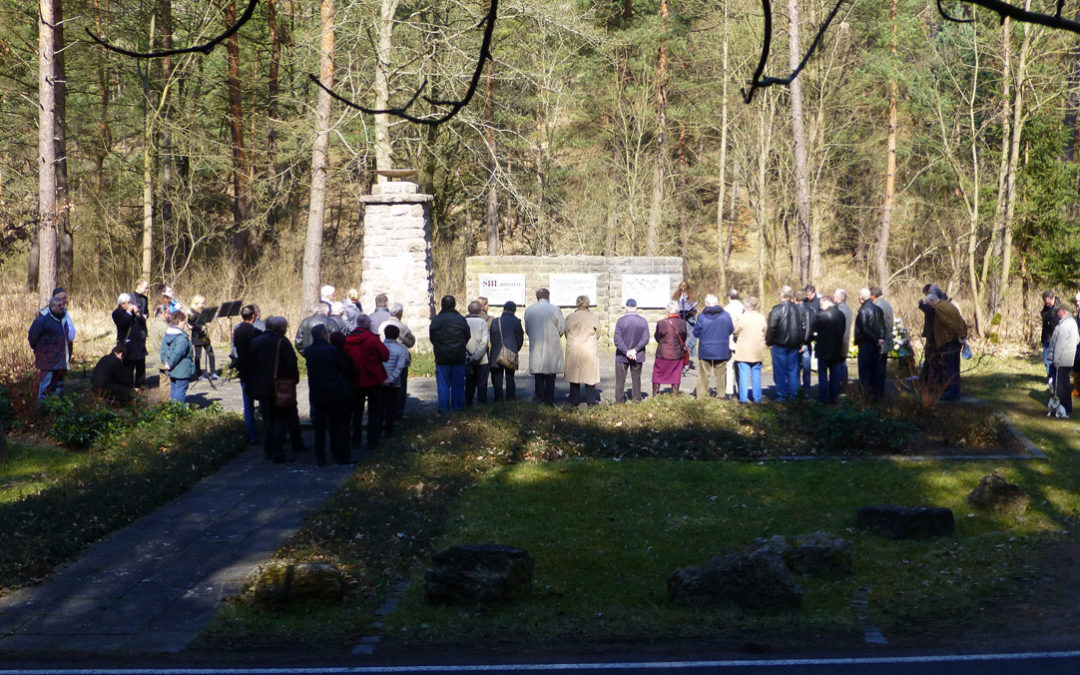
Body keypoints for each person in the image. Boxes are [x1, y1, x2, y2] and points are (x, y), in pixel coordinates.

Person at [250, 316, 303, 463]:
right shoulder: (283, 342)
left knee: (268, 419)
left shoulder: (256, 342)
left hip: (262, 385)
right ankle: (278, 451)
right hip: (280, 385)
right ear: (281, 328)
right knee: (280, 419)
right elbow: (292, 364)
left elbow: (251, 365)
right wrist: (294, 380)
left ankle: (268, 450)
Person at [304, 324, 355, 465]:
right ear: (325, 335)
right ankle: (339, 453)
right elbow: (342, 367)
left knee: (319, 427)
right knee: (337, 425)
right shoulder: (333, 351)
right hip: (335, 391)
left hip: (317, 391)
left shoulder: (309, 351)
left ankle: (320, 457)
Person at [345, 315, 390, 450]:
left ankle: (356, 438)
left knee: (356, 411)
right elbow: (385, 356)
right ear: (368, 324)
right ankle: (373, 439)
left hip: (355, 379)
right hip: (373, 378)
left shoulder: (347, 340)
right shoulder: (372, 339)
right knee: (374, 410)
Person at [523, 288, 566, 406]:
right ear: (548, 297)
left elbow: (527, 329)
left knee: (539, 374)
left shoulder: (529, 310)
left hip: (536, 344)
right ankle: (549, 400)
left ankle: (539, 398)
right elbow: (562, 328)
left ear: (537, 297)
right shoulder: (555, 309)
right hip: (552, 346)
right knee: (551, 375)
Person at [430, 295, 470, 413]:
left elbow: (432, 338)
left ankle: (444, 410)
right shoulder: (461, 319)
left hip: (442, 357)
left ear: (441, 305)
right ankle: (458, 408)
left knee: (443, 386)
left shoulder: (436, 320)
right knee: (458, 385)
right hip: (458, 356)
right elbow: (467, 336)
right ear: (454, 305)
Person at [765, 286, 805, 401]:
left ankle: (782, 394)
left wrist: (769, 341)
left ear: (782, 295)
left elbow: (772, 327)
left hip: (779, 344)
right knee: (793, 371)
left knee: (780, 371)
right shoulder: (798, 309)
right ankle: (793, 394)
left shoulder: (776, 309)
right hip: (794, 344)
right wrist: (801, 342)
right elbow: (802, 328)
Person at [925, 291, 967, 400]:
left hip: (949, 341)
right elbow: (960, 320)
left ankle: (951, 393)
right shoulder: (948, 304)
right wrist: (961, 336)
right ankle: (955, 390)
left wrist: (956, 336)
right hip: (956, 341)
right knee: (955, 366)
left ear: (932, 301)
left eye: (928, 304)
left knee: (949, 367)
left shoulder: (939, 309)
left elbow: (949, 324)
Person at [28, 295, 71, 400]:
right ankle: (41, 413)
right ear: (52, 307)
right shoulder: (42, 321)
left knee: (58, 389)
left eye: (63, 305)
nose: (62, 307)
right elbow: (32, 338)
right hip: (48, 363)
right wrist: (42, 352)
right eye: (59, 305)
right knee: (45, 389)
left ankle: (55, 413)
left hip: (61, 362)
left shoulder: (63, 319)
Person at [693, 293, 733, 399]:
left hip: (705, 349)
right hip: (721, 349)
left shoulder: (701, 316)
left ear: (706, 303)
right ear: (717, 303)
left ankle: (701, 396)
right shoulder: (726, 315)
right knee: (720, 374)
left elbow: (696, 332)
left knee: (704, 374)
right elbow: (730, 329)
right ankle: (721, 395)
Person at [564, 295, 602, 406]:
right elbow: (598, 333)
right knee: (590, 375)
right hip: (589, 348)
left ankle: (574, 400)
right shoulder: (593, 317)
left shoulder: (570, 317)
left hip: (574, 348)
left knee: (574, 374)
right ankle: (591, 400)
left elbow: (566, 333)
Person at [233, 304, 263, 444]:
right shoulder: (255, 331)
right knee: (263, 401)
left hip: (243, 370)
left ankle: (252, 434)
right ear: (253, 316)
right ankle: (266, 430)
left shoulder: (237, 330)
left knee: (248, 404)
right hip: (256, 370)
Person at [380, 303, 415, 420]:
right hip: (398, 356)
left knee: (384, 388)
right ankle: (397, 413)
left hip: (383, 357)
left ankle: (385, 413)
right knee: (400, 387)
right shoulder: (402, 327)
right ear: (400, 314)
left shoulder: (382, 325)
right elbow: (411, 342)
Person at [811, 295, 847, 403]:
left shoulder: (821, 315)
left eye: (821, 304)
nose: (820, 307)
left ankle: (823, 398)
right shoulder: (841, 315)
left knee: (822, 375)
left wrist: (815, 337)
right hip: (836, 348)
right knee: (835, 375)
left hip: (823, 349)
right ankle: (834, 397)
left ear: (827, 302)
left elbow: (813, 330)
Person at [614, 298, 650, 403]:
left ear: (626, 308)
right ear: (636, 308)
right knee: (636, 378)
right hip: (638, 355)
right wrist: (635, 350)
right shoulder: (643, 321)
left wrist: (626, 351)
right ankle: (637, 399)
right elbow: (645, 338)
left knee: (620, 379)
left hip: (622, 355)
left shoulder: (620, 321)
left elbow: (617, 340)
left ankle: (619, 400)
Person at [854, 288, 887, 399]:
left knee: (864, 371)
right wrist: (881, 338)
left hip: (866, 343)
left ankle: (865, 394)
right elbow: (883, 326)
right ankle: (876, 394)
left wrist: (876, 338)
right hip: (876, 344)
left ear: (861, 298)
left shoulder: (863, 310)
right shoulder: (878, 309)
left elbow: (864, 328)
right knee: (875, 369)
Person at [733, 297, 767, 403]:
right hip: (757, 349)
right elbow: (765, 331)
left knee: (743, 375)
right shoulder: (762, 318)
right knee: (756, 375)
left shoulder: (741, 318)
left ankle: (743, 398)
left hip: (744, 350)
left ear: (745, 306)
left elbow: (735, 331)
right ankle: (757, 398)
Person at [489, 301, 524, 402]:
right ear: (514, 310)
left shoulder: (496, 321)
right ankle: (510, 398)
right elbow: (520, 339)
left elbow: (492, 338)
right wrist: (515, 349)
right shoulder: (517, 322)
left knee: (497, 379)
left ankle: (498, 399)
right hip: (511, 353)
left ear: (503, 309)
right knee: (510, 377)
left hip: (496, 353)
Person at [653, 301, 689, 396]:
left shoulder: (661, 323)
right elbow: (684, 337)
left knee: (657, 374)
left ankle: (655, 395)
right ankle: (674, 395)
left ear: (668, 311)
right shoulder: (683, 323)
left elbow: (657, 337)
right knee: (676, 375)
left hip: (663, 353)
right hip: (677, 354)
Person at [112, 292, 147, 387]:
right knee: (128, 367)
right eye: (129, 303)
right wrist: (128, 312)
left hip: (138, 342)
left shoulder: (133, 312)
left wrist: (138, 314)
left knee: (141, 364)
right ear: (123, 304)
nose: (131, 304)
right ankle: (128, 386)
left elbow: (142, 322)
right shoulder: (116, 313)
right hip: (127, 343)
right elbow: (122, 324)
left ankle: (140, 385)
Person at [1049, 305, 1079, 418]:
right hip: (1067, 358)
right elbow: (1077, 340)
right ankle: (1067, 406)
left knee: (1061, 384)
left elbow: (1060, 344)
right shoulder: (1071, 323)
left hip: (1062, 359)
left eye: (1059, 311)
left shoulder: (1066, 325)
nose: (1057, 312)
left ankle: (1063, 406)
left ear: (1064, 311)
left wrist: (1056, 360)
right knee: (1065, 383)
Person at [160, 311, 195, 403]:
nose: (185, 324)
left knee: (174, 390)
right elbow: (178, 353)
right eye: (184, 322)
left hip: (172, 368)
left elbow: (163, 349)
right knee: (180, 391)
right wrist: (170, 363)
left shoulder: (168, 334)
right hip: (181, 368)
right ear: (180, 321)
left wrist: (165, 361)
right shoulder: (181, 338)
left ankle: (173, 410)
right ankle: (179, 412)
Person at [381, 324, 410, 436]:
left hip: (381, 381)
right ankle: (389, 429)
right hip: (394, 382)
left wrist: (382, 379)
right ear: (397, 335)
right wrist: (391, 379)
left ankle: (379, 427)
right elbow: (400, 367)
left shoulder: (380, 347)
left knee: (381, 405)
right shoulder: (400, 349)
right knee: (391, 406)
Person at [464, 300, 491, 405]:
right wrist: (476, 356)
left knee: (469, 383)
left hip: (466, 358)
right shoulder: (482, 322)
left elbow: (461, 341)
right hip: (482, 359)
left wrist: (468, 356)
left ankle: (468, 404)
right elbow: (484, 342)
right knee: (482, 384)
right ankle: (481, 405)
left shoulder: (463, 321)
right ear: (480, 310)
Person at [187, 294, 218, 379]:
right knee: (198, 355)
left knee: (210, 352)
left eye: (204, 303)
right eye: (202, 303)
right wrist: (201, 327)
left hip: (204, 335)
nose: (203, 305)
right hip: (197, 336)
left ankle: (213, 372)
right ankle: (199, 374)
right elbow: (191, 324)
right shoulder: (192, 313)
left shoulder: (203, 312)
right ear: (196, 303)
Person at [871, 286, 895, 394]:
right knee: (882, 365)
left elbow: (878, 324)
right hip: (887, 338)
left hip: (881, 340)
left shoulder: (878, 306)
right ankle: (880, 388)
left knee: (878, 366)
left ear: (873, 296)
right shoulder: (886, 304)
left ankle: (877, 389)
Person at [723, 289, 745, 398]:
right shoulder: (744, 308)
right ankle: (742, 390)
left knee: (729, 366)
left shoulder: (726, 309)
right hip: (742, 341)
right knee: (741, 367)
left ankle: (729, 391)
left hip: (730, 340)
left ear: (729, 297)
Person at [674, 280, 698, 373]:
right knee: (679, 340)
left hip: (689, 320)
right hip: (680, 320)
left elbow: (694, 308)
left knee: (688, 341)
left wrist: (690, 311)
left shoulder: (691, 297)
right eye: (681, 288)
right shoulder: (676, 297)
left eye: (685, 289)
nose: (683, 291)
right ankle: (679, 362)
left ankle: (687, 362)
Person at [796, 290, 816, 391]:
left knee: (796, 367)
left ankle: (797, 388)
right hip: (808, 342)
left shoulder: (796, 310)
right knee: (806, 368)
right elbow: (811, 327)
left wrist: (801, 342)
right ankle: (807, 387)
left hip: (799, 342)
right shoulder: (811, 310)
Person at [834, 289, 853, 391]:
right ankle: (844, 383)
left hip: (839, 340)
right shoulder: (848, 309)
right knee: (843, 363)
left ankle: (839, 384)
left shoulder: (838, 310)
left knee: (838, 364)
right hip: (845, 339)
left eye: (834, 297)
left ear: (838, 298)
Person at [1041, 290, 1061, 380]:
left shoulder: (1060, 308)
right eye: (1046, 303)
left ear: (1053, 298)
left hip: (1056, 338)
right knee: (1046, 360)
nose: (1047, 304)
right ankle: (1050, 378)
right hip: (1047, 337)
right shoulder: (1046, 308)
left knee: (1055, 361)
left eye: (1049, 302)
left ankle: (1054, 379)